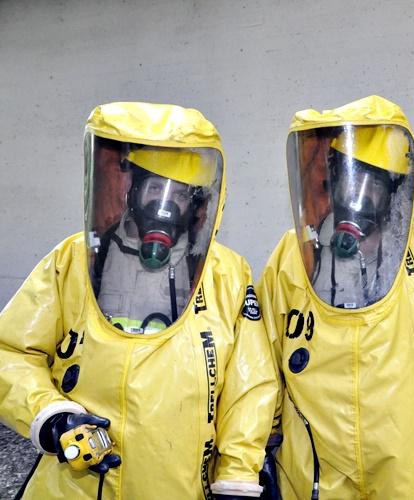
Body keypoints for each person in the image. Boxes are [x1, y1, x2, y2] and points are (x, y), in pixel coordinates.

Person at [0, 102, 278, 499]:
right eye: (155, 189)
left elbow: (249, 390)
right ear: (133, 191)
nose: (165, 206)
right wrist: (51, 415)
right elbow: (10, 351)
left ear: (197, 205)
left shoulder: (227, 275)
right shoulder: (76, 260)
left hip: (177, 486)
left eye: (180, 194)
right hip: (76, 486)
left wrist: (236, 477)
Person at [258, 95, 414, 499]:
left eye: (373, 184)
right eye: (350, 178)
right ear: (332, 178)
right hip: (312, 461)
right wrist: (262, 441)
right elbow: (263, 353)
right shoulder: (294, 256)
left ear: (395, 191)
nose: (358, 195)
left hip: (402, 459)